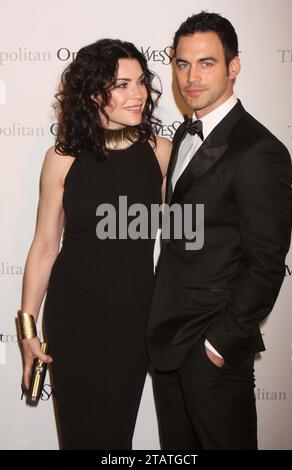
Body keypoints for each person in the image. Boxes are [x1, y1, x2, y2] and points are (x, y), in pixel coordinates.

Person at [147, 12, 292, 450]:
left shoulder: (260, 151)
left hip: (212, 351)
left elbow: (266, 263)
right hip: (167, 343)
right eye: (182, 64)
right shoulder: (182, 135)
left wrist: (219, 344)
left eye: (206, 63)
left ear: (234, 66)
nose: (191, 77)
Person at [17, 38, 171, 449]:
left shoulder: (161, 154)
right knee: (78, 438)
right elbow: (46, 245)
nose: (137, 93)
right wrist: (27, 327)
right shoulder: (62, 157)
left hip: (134, 321)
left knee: (115, 439)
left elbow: (183, 240)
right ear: (92, 93)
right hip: (73, 321)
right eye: (121, 84)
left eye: (140, 81)